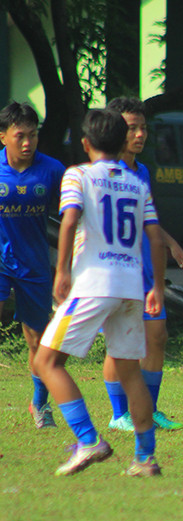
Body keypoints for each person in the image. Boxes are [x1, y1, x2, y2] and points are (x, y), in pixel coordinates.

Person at [32, 108, 165, 477]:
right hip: (130, 286)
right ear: (123, 142)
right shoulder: (138, 184)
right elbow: (155, 237)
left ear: (86, 143)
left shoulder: (78, 175)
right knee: (130, 372)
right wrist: (156, 287)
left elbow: (71, 219)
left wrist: (61, 271)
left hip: (94, 283)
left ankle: (88, 440)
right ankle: (145, 458)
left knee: (46, 362)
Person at [100, 97, 183, 433]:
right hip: (117, 270)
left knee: (157, 336)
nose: (139, 134)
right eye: (131, 128)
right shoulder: (104, 172)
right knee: (119, 341)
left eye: (142, 128)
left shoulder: (142, 172)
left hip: (146, 270)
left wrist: (171, 243)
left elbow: (144, 218)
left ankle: (148, 409)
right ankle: (119, 413)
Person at [0, 102, 65, 429]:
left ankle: (39, 404)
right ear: (3, 137)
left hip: (35, 262)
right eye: (20, 136)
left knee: (37, 341)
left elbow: (72, 216)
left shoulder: (52, 170)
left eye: (33, 135)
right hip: (0, 259)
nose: (27, 142)